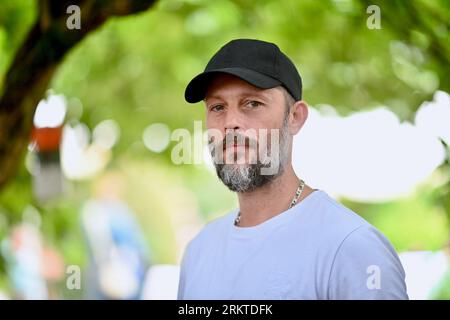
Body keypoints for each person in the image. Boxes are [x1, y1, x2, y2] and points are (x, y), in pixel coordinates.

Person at [178, 39, 408, 299]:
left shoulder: (351, 247)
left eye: (252, 103)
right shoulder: (199, 251)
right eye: (217, 107)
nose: (231, 123)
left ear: (295, 118)